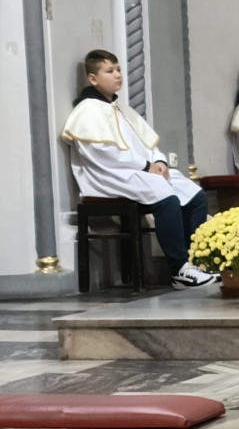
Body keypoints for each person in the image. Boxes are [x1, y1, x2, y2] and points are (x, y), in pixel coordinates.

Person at [61, 50, 218, 290]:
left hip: (134, 172)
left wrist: (160, 162)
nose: (118, 75)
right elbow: (102, 154)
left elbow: (147, 144)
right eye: (110, 71)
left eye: (119, 69)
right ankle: (179, 270)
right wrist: (146, 166)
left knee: (192, 192)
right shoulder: (87, 110)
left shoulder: (120, 108)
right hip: (107, 176)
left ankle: (198, 262)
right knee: (165, 195)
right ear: (93, 78)